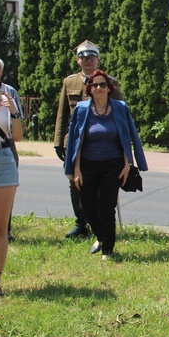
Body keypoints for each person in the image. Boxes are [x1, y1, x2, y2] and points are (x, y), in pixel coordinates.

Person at [64, 70, 147, 260]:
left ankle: (107, 250)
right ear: (90, 89)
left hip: (113, 165)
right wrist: (76, 169)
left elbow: (127, 137)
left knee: (107, 208)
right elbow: (76, 142)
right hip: (87, 165)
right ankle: (101, 237)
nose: (99, 88)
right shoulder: (82, 109)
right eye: (95, 85)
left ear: (109, 88)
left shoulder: (120, 107)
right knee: (87, 206)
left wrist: (127, 164)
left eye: (103, 85)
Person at [54, 40, 124, 239]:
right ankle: (81, 224)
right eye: (84, 58)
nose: (88, 61)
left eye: (92, 58)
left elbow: (120, 112)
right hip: (75, 143)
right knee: (75, 184)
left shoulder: (108, 81)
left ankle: (99, 226)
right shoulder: (70, 82)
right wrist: (58, 141)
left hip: (100, 143)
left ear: (97, 60)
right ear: (78, 61)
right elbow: (62, 113)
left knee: (101, 188)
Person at [0, 58, 22, 297]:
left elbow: (17, 136)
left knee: (0, 225)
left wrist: (13, 111)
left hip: (3, 158)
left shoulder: (6, 97)